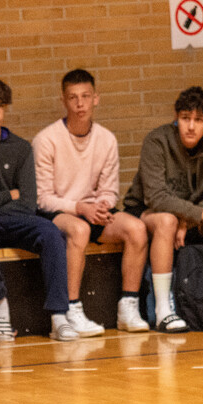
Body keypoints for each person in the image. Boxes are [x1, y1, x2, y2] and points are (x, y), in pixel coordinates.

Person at [32, 69, 150, 334]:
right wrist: (80, 208)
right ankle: (71, 308)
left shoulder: (106, 139)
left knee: (136, 228)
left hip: (92, 210)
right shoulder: (46, 140)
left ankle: (128, 307)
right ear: (64, 100)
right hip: (58, 211)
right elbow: (42, 198)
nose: (80, 104)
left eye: (85, 96)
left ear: (96, 98)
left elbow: (109, 190)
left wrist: (103, 206)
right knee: (79, 229)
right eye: (73, 97)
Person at [0, 77, 73, 341]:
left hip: (12, 220)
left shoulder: (21, 148)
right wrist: (8, 195)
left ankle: (59, 316)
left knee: (50, 231)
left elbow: (28, 203)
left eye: (0, 105)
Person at [123, 86, 203, 333]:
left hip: (188, 216)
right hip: (147, 211)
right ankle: (163, 310)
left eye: (198, 120)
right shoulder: (157, 141)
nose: (191, 126)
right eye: (186, 118)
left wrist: (189, 220)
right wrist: (202, 215)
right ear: (176, 118)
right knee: (167, 221)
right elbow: (156, 197)